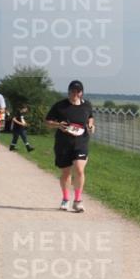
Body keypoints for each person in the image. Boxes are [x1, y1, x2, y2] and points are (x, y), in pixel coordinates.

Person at [45, 80, 95, 212]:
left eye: (78, 91)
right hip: (63, 143)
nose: (75, 93)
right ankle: (65, 199)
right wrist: (58, 125)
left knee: (79, 169)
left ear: (81, 93)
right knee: (66, 173)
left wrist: (91, 125)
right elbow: (48, 121)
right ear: (69, 91)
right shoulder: (60, 106)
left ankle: (78, 200)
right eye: (72, 91)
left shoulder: (87, 105)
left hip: (81, 141)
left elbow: (90, 117)